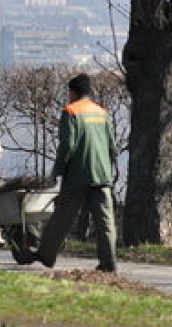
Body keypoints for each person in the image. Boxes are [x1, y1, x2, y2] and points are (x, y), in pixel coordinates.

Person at [32, 72, 118, 273]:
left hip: (78, 175)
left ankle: (46, 255)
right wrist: (110, 171)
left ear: (72, 92)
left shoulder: (71, 111)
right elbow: (112, 146)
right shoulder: (101, 112)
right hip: (102, 175)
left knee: (62, 216)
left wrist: (57, 171)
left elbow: (67, 146)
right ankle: (109, 263)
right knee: (106, 221)